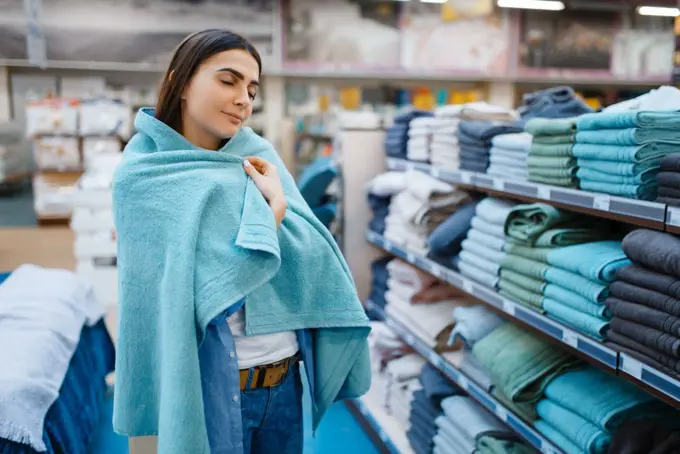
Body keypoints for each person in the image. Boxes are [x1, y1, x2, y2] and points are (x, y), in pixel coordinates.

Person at [112, 29, 373, 454]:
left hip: (284, 382)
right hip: (211, 386)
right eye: (228, 81)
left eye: (252, 90)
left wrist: (281, 212)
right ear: (182, 81)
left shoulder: (258, 156)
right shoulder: (144, 176)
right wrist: (269, 219)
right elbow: (189, 294)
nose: (243, 100)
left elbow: (316, 256)